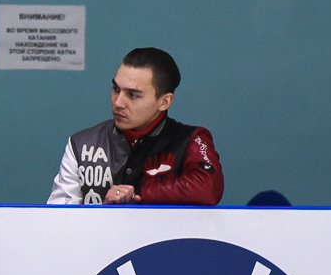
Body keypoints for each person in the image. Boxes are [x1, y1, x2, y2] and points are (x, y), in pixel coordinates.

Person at [47, 47, 223, 206]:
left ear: (164, 101)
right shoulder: (82, 143)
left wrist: (137, 194)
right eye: (116, 89)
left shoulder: (191, 139)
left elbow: (208, 188)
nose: (118, 102)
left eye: (133, 95)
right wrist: (104, 209)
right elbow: (59, 218)